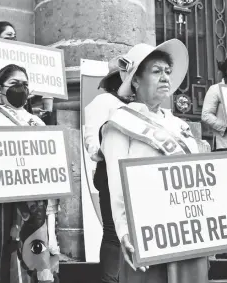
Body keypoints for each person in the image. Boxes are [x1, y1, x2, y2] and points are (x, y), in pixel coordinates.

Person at [100, 39, 210, 283]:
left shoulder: (180, 125)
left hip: (188, 233)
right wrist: (125, 232)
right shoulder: (120, 124)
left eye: (168, 72)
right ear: (136, 80)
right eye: (156, 71)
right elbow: (117, 185)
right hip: (148, 234)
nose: (165, 78)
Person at [0, 64, 60, 283]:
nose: (20, 88)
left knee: (32, 256)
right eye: (14, 84)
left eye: (25, 84)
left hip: (32, 203)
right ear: (0, 89)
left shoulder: (37, 122)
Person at [84, 55, 134, 283]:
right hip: (111, 172)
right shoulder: (102, 103)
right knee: (114, 233)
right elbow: (92, 143)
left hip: (137, 173)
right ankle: (109, 280)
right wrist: (112, 148)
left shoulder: (140, 106)